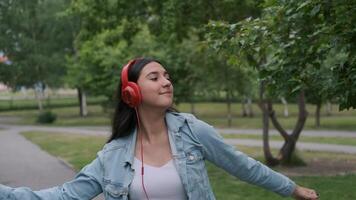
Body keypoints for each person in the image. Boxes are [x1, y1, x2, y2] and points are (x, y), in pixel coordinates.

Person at [0, 57, 319, 200]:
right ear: (131, 93)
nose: (166, 81)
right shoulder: (112, 156)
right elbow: (64, 195)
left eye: (167, 76)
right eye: (154, 77)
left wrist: (292, 189)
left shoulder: (192, 131)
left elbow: (242, 166)